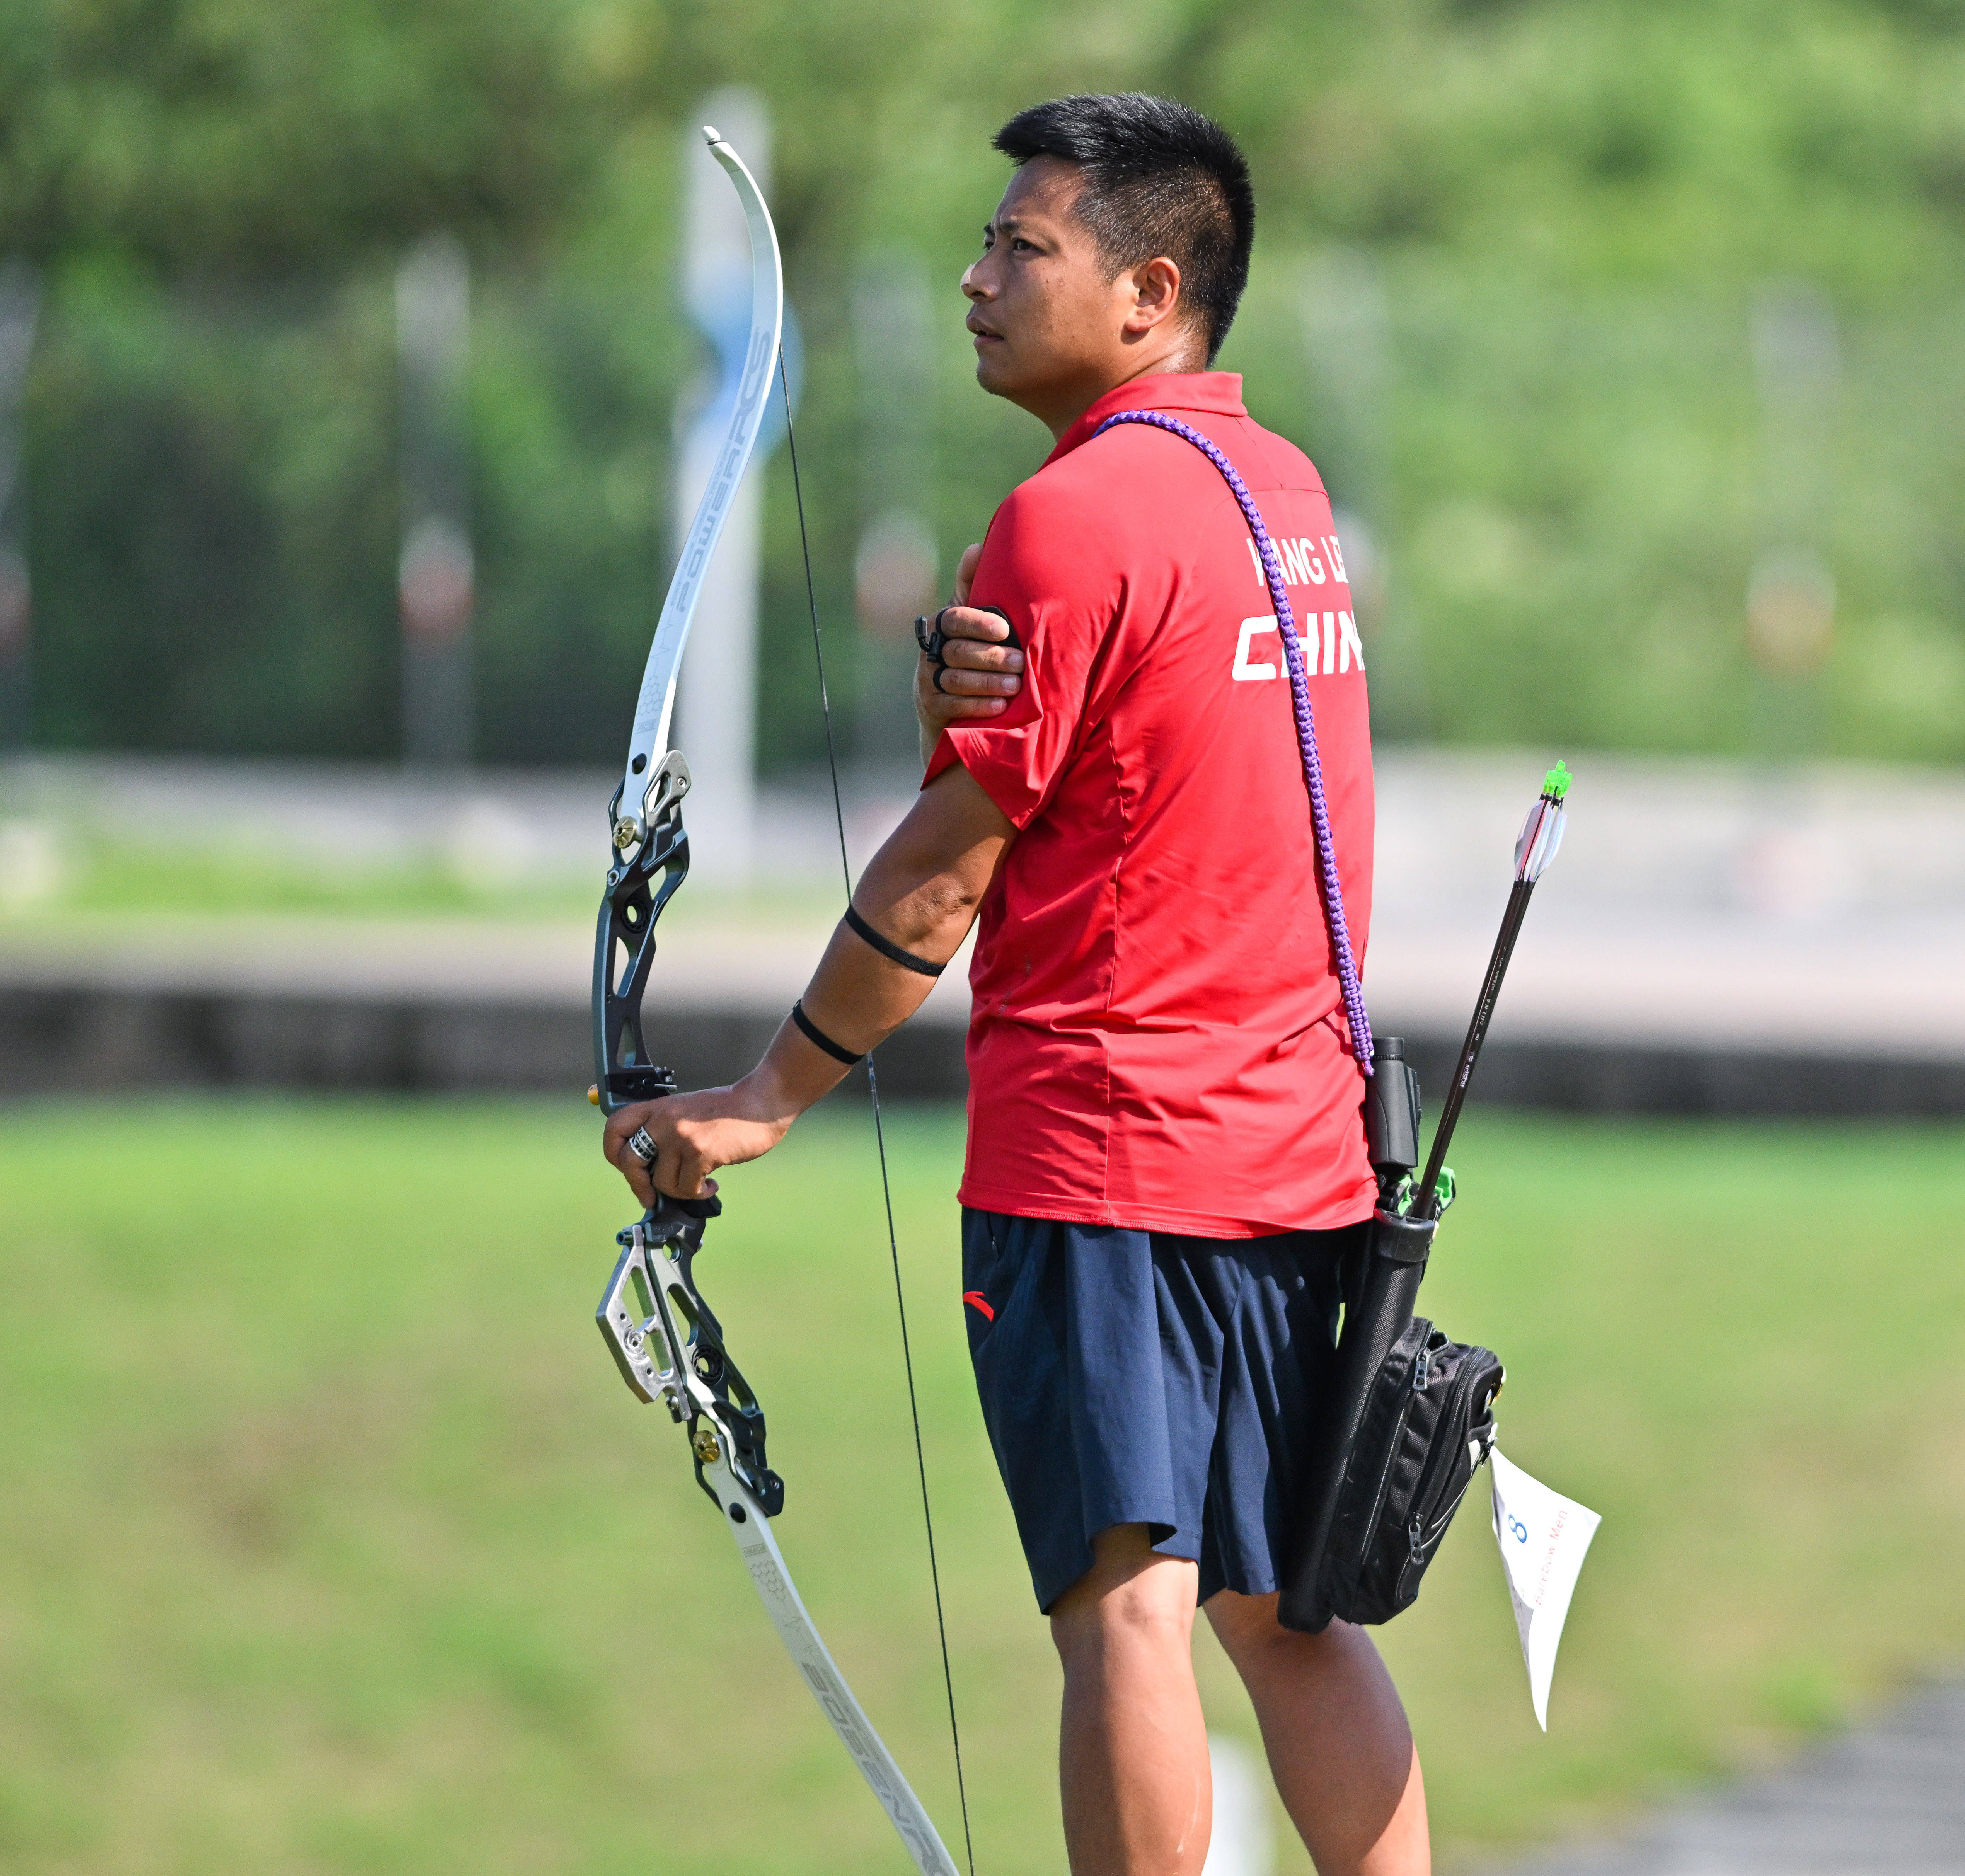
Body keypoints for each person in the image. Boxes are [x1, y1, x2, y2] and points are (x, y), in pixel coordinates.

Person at [603, 92, 1426, 1876]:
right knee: (1290, 1613)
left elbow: (944, 872)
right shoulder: (1280, 488)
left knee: (1123, 1610)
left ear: (1148, 289)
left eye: (1019, 247)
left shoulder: (1066, 519)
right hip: (1296, 1163)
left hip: (1114, 1175)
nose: (976, 276)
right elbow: (1130, 776)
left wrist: (759, 1099)